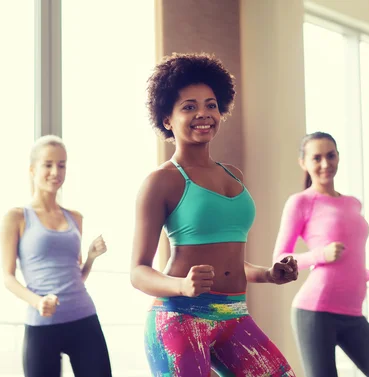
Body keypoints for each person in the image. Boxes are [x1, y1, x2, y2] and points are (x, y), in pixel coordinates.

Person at [130, 52, 298, 377]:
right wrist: (182, 286)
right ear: (167, 118)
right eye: (189, 107)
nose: (203, 114)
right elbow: (138, 272)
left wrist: (268, 274)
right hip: (180, 318)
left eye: (210, 104)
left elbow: (227, 259)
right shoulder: (161, 181)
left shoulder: (233, 174)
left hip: (234, 316)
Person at [272, 131, 369, 377]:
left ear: (338, 157)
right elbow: (279, 259)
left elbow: (349, 263)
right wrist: (319, 255)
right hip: (315, 312)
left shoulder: (352, 203)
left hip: (352, 314)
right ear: (304, 163)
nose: (326, 164)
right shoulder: (300, 202)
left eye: (331, 155)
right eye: (317, 158)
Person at [0, 135, 112, 377]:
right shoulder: (17, 217)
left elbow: (76, 276)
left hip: (84, 317)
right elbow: (8, 278)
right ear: (32, 169)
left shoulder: (75, 218)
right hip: (42, 325)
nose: (55, 171)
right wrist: (37, 302)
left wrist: (91, 257)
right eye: (48, 164)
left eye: (61, 165)